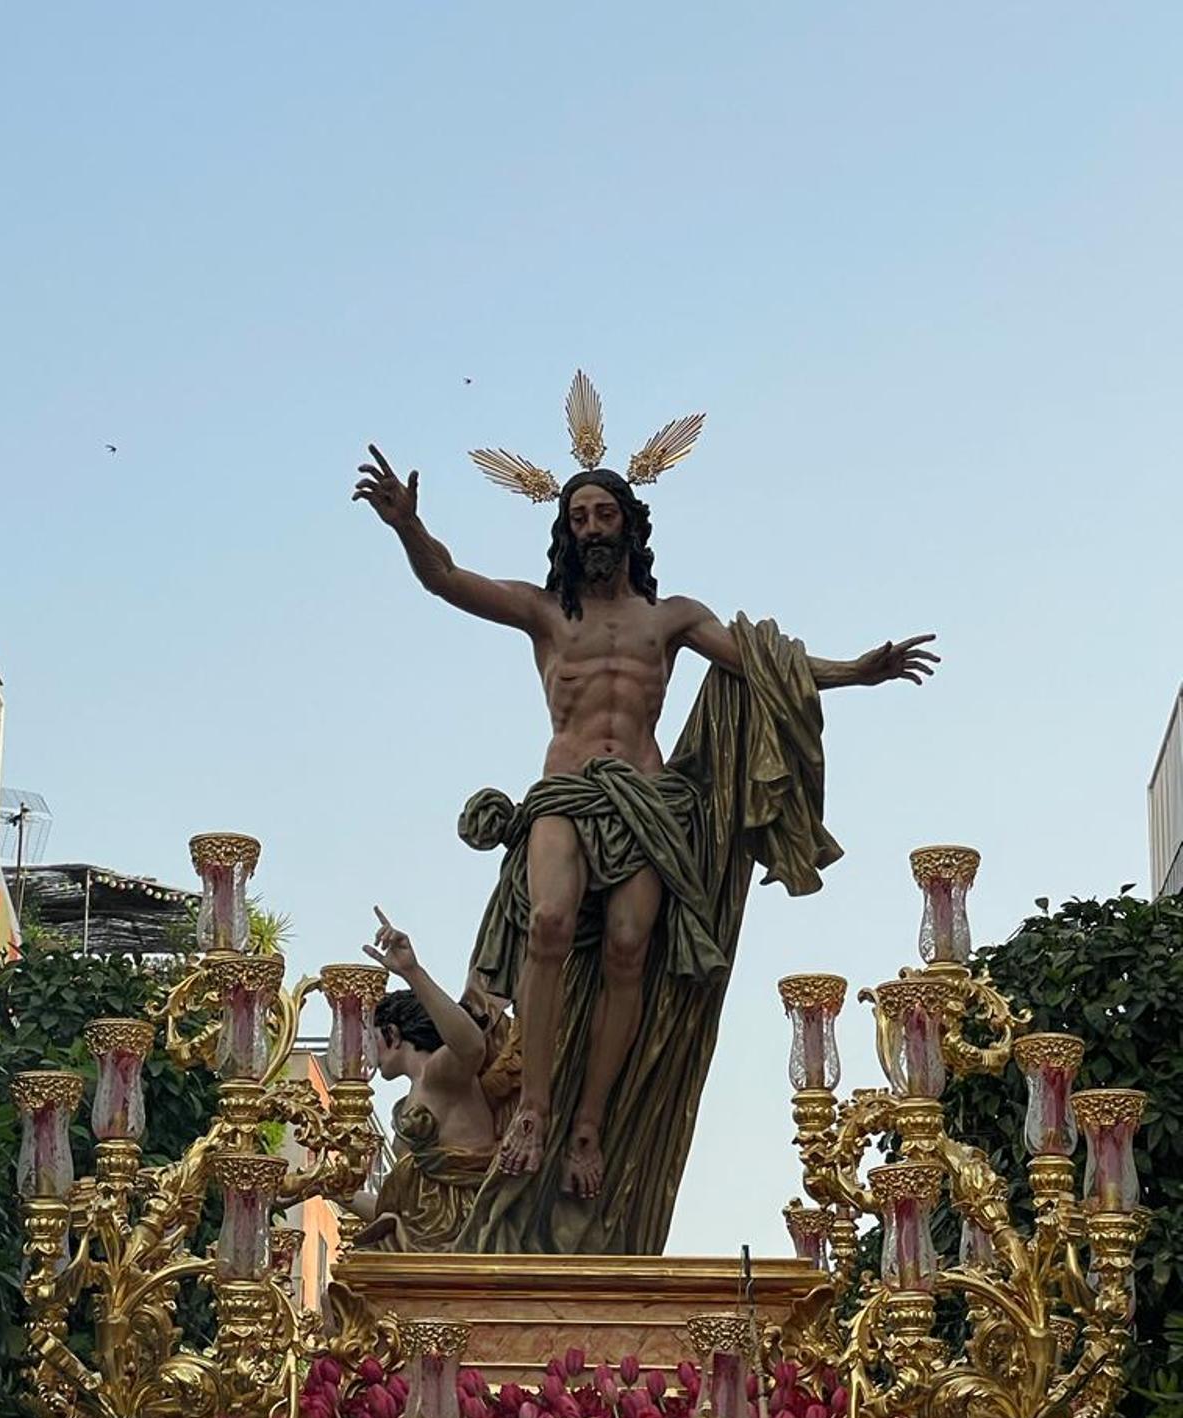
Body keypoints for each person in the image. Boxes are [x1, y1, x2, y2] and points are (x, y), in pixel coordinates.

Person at [354, 451, 936, 1208]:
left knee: (630, 950)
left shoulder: (672, 618)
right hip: (566, 791)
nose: (592, 527)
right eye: (578, 517)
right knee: (551, 925)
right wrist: (409, 527)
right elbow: (447, 578)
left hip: (651, 803)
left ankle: (589, 1124)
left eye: (604, 514)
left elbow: (764, 667)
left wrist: (856, 672)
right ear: (566, 533)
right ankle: (533, 1105)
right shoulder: (543, 611)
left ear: (629, 524)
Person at [357, 910, 515, 1250]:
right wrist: (326, 1188)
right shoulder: (410, 1103)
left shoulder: (441, 1074)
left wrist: (412, 973)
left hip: (469, 1237)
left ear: (392, 1034)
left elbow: (472, 1045)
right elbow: (398, 1212)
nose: (366, 1053)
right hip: (424, 1242)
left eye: (370, 1039)